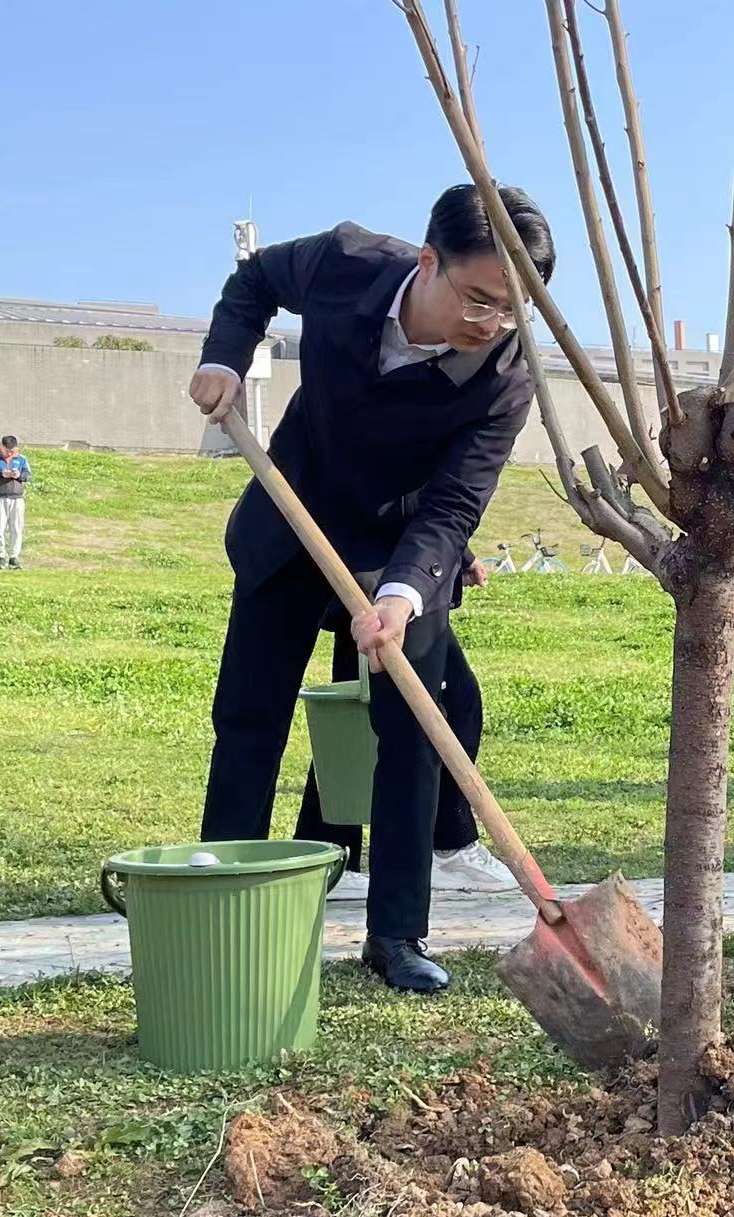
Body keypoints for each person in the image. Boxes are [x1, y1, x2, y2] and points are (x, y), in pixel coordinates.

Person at [191, 183, 554, 995]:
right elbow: (252, 285)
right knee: (249, 719)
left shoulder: (505, 376)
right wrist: (225, 357)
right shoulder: (346, 261)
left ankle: (396, 933)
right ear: (428, 262)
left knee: (411, 736)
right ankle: (223, 896)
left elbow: (459, 501)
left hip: (403, 549)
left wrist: (402, 594)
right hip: (294, 514)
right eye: (480, 299)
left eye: (513, 311)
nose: (491, 324)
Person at [296, 556, 517, 902]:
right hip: (377, 577)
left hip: (382, 574)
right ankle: (446, 846)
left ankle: (329, 853)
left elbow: (416, 505)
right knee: (455, 700)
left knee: (361, 709)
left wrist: (462, 557)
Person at [0, 435, 30, 570]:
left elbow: (28, 475)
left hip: (17, 498)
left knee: (16, 529)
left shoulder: (21, 458)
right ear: (2, 446)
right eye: (8, 450)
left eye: (12, 450)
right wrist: (0, 474)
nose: (10, 453)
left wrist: (18, 475)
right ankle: (1, 557)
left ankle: (14, 558)